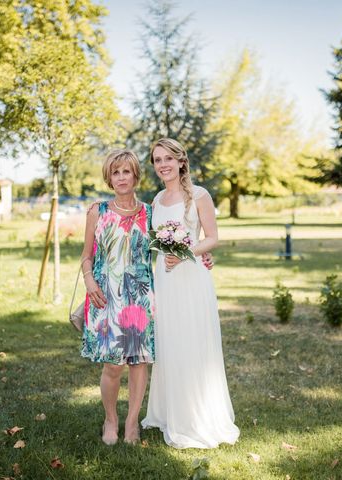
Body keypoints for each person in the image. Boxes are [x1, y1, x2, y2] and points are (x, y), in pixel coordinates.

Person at [141, 138, 240, 449]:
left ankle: (196, 417)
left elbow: (212, 238)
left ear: (181, 161)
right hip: (165, 281)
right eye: (157, 160)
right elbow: (152, 241)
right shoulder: (156, 199)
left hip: (192, 279)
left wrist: (186, 252)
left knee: (192, 341)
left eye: (168, 158)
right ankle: (170, 412)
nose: (163, 165)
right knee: (169, 342)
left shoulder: (199, 195)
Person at [80, 149, 155, 445]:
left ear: (136, 175)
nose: (121, 177)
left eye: (126, 171)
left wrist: (204, 252)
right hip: (106, 296)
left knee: (138, 362)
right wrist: (88, 280)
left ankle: (132, 422)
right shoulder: (97, 211)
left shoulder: (150, 212)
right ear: (109, 178)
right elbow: (85, 256)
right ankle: (110, 420)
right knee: (113, 364)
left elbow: (166, 251)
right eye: (115, 172)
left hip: (138, 296)